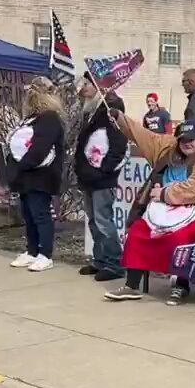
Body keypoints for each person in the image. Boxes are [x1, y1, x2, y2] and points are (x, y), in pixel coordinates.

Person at [103, 115, 195, 305]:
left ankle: (181, 285)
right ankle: (131, 285)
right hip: (162, 210)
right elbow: (144, 136)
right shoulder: (168, 149)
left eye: (191, 139)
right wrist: (119, 118)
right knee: (138, 231)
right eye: (183, 140)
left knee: (182, 238)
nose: (187, 144)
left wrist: (163, 193)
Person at [7, 76, 65, 273]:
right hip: (26, 175)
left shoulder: (50, 118)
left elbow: (40, 148)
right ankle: (32, 251)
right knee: (28, 215)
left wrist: (23, 164)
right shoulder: (31, 119)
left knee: (40, 214)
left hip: (41, 175)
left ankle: (45, 254)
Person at [75, 74, 128, 282]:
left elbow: (118, 145)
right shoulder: (89, 110)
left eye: (87, 84)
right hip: (88, 175)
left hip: (102, 177)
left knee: (103, 220)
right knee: (93, 221)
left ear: (99, 86)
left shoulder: (110, 109)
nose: (83, 87)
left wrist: (104, 169)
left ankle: (114, 264)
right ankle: (100, 260)